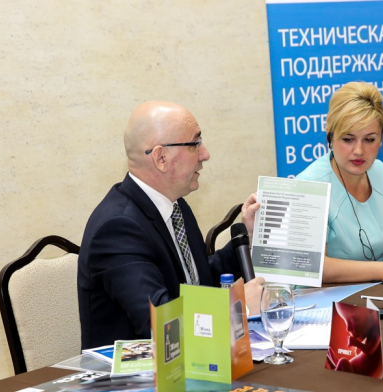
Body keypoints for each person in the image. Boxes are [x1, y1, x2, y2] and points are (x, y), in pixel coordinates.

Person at [78, 101, 263, 350]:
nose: (205, 154)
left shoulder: (175, 205)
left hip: (192, 359)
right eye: (195, 144)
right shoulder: (117, 229)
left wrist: (248, 239)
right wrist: (239, 308)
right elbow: (163, 325)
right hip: (139, 370)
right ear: (161, 158)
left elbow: (197, 284)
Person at [296, 82, 383, 283]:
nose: (359, 151)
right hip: (323, 297)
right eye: (348, 139)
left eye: (369, 140)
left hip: (375, 290)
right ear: (330, 136)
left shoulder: (380, 171)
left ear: (381, 139)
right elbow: (314, 267)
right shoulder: (308, 185)